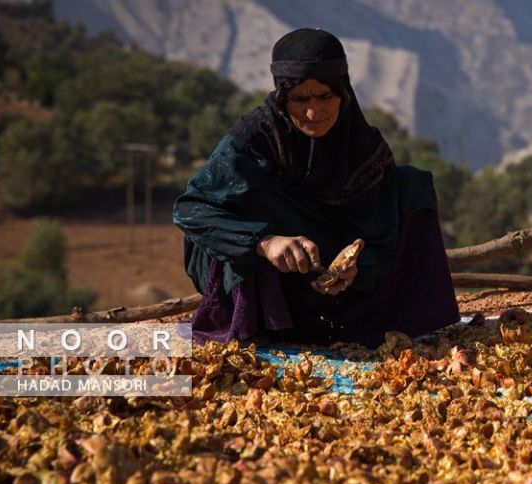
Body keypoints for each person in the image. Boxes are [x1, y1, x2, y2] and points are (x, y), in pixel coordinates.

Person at [173, 28, 460, 347]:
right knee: (249, 194)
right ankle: (257, 325)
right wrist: (265, 242)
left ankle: (387, 321)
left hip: (326, 272)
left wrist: (356, 270)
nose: (314, 112)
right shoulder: (254, 138)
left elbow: (380, 231)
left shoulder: (362, 146)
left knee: (411, 185)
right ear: (283, 98)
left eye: (325, 96)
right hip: (266, 264)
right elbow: (191, 209)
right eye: (300, 99)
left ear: (343, 92)